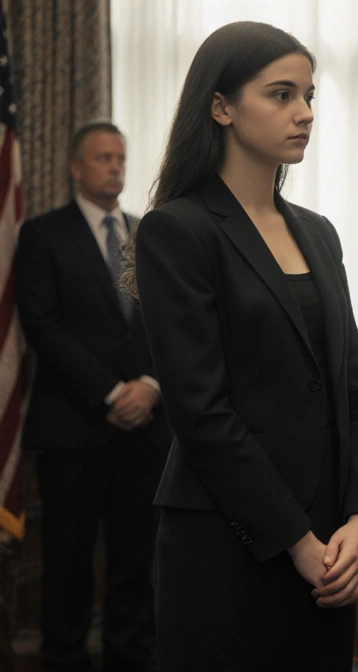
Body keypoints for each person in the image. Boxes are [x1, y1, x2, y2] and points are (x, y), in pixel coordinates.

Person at [129, 22, 358, 670]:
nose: (304, 114)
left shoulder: (319, 233)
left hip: (331, 547)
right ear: (220, 107)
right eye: (280, 95)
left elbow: (354, 393)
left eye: (309, 96)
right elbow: (201, 414)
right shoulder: (177, 229)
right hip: (229, 544)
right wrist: (297, 542)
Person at [16, 121, 171, 671]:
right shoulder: (42, 234)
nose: (115, 167)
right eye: (103, 158)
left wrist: (150, 386)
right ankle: (64, 657)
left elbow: (165, 324)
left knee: (135, 558)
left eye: (122, 158)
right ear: (77, 167)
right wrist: (110, 393)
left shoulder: (143, 235)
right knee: (67, 558)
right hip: (73, 429)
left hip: (146, 431)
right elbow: (44, 326)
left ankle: (129, 655)